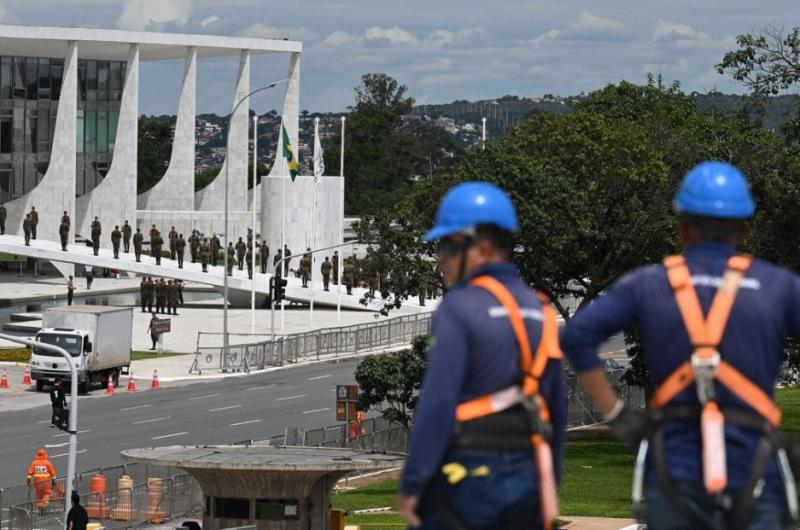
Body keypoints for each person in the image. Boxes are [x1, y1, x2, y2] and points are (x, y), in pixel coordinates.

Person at [561, 161, 799, 530]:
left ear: (682, 227)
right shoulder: (777, 286)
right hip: (756, 469)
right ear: (745, 229)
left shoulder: (649, 285)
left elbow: (577, 337)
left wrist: (618, 416)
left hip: (675, 469)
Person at [398, 182, 565, 530]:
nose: (440, 258)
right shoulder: (541, 310)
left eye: (448, 246)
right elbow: (556, 408)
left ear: (483, 248)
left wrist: (414, 482)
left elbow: (437, 403)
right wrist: (551, 480)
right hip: (527, 475)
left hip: (466, 476)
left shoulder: (458, 308)